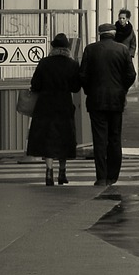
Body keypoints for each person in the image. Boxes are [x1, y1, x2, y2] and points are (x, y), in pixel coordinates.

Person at [79, 22, 136, 185]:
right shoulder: (122, 50)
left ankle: (101, 176)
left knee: (99, 138)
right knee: (115, 137)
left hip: (96, 100)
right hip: (116, 99)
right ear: (114, 33)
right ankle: (113, 175)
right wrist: (122, 88)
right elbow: (131, 74)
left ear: (100, 34)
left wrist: (90, 90)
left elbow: (82, 75)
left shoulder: (90, 49)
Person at [25, 33, 82, 185]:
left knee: (48, 139)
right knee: (64, 138)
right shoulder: (72, 64)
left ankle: (49, 173)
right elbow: (76, 88)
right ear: (67, 48)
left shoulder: (44, 63)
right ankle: (62, 173)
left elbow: (35, 84)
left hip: (45, 105)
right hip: (64, 104)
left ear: (53, 47)